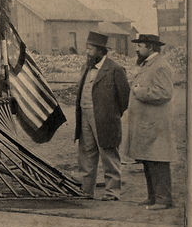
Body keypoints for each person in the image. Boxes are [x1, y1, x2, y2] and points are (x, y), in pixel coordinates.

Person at [74, 31, 130, 201]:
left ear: (101, 51)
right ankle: (86, 191)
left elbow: (124, 98)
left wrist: (110, 115)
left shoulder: (115, 69)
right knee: (86, 153)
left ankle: (112, 192)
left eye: (90, 49)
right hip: (84, 116)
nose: (87, 52)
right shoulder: (85, 67)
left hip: (105, 120)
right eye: (87, 48)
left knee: (108, 153)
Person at [128, 34, 176, 210]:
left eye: (139, 45)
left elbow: (164, 93)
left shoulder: (160, 66)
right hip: (147, 123)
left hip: (156, 124)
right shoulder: (148, 64)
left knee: (158, 160)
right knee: (148, 160)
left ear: (150, 47)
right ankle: (153, 197)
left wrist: (140, 92)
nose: (136, 49)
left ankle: (163, 200)